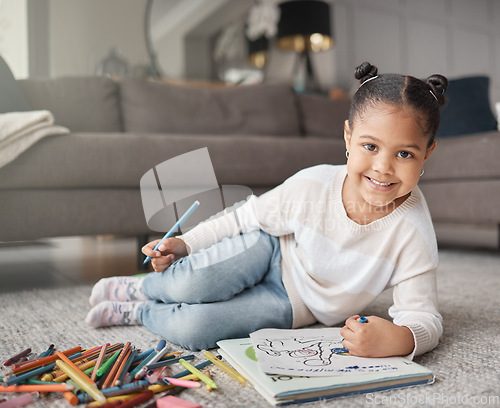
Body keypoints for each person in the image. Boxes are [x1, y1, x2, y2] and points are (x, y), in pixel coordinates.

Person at [86, 62, 448, 358]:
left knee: (194, 330)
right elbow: (245, 216)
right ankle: (145, 288)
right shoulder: (313, 185)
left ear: (427, 154)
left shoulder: (413, 228)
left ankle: (140, 309)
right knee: (194, 280)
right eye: (370, 146)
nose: (383, 167)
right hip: (270, 249)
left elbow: (424, 318)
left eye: (405, 154)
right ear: (348, 137)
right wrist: (186, 243)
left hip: (293, 304)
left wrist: (401, 340)